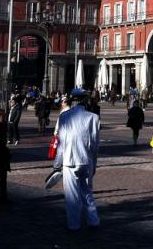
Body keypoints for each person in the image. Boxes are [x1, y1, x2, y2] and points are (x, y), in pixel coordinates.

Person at [52, 88, 100, 231]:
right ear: (85, 100)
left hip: (69, 160)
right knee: (87, 192)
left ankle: (74, 224)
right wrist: (94, 164)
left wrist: (57, 164)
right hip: (87, 160)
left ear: (73, 100)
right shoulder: (93, 118)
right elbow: (95, 144)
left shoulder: (64, 117)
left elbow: (61, 144)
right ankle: (93, 220)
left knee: (72, 196)